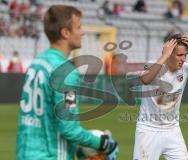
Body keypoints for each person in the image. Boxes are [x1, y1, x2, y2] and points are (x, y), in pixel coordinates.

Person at [16, 5, 118, 160]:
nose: (83, 32)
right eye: (79, 27)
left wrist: (82, 149)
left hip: (24, 154)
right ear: (65, 32)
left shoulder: (36, 63)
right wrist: (103, 144)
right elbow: (69, 129)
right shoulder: (66, 72)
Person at [134, 34, 188, 160]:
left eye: (185, 55)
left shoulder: (186, 69)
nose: (183, 59)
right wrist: (164, 56)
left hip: (173, 131)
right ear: (169, 53)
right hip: (148, 130)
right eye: (179, 55)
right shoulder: (152, 65)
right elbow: (145, 79)